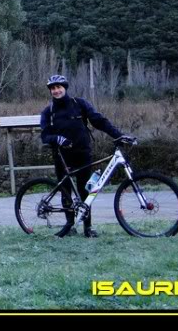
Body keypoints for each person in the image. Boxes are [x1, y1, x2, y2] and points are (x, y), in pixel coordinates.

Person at [40, 74, 131, 238]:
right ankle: (69, 225)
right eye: (53, 88)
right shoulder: (48, 111)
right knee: (65, 191)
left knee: (85, 191)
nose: (56, 90)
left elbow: (99, 121)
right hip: (62, 156)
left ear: (65, 88)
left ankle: (87, 227)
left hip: (83, 153)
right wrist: (57, 139)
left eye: (59, 87)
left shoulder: (79, 104)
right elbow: (45, 136)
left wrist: (118, 135)